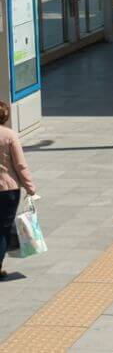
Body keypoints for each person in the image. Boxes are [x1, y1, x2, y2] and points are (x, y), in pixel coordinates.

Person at [0, 100, 35, 278]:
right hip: (8, 190)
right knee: (3, 229)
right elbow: (20, 164)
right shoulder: (9, 135)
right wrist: (30, 187)